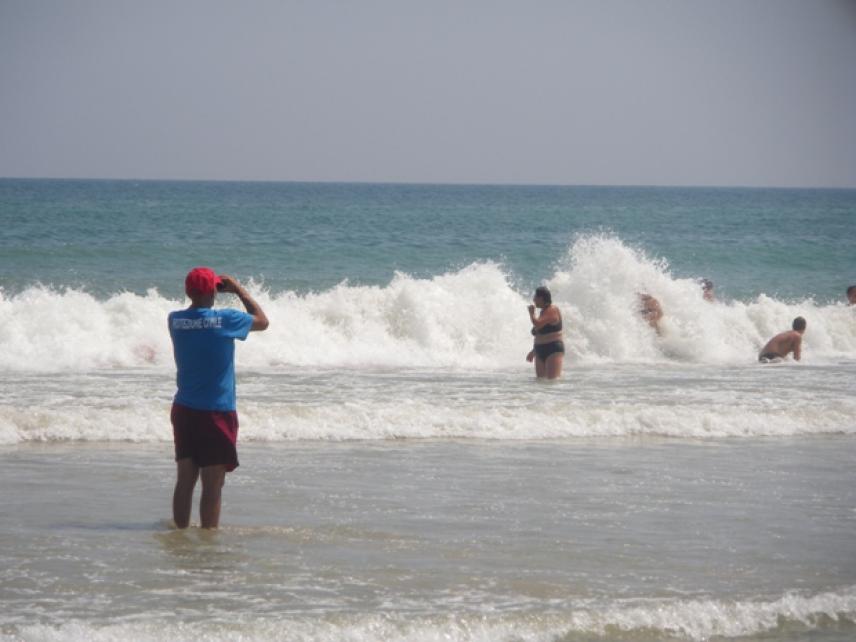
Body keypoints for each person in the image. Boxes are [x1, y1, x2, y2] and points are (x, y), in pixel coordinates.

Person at [168, 267, 269, 529]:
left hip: (184, 409)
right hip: (215, 411)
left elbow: (198, 318)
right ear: (213, 290)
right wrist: (237, 289)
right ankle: (207, 541)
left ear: (188, 291)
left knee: (185, 479)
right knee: (213, 484)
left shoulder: (175, 320)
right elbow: (262, 320)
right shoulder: (225, 319)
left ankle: (179, 535)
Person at [526, 286, 564, 379]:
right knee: (541, 382)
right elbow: (540, 334)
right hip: (539, 349)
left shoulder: (552, 310)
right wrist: (534, 350)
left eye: (535, 297)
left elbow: (538, 324)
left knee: (552, 382)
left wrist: (531, 313)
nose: (534, 300)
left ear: (541, 298)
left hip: (552, 349)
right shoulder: (543, 312)